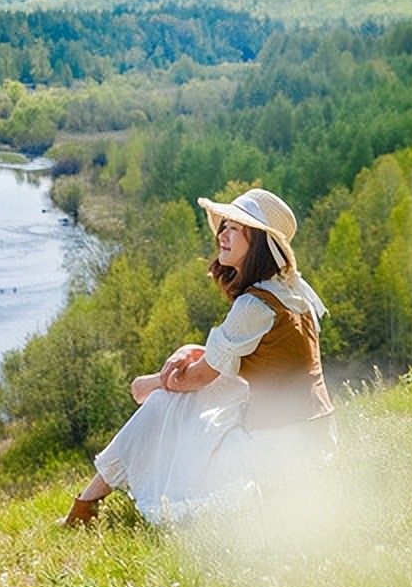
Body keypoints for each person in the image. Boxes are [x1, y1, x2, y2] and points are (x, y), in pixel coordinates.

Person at [62, 187, 335, 526]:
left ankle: (85, 506)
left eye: (236, 228)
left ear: (261, 244)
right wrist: (200, 353)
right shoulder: (294, 294)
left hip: (277, 449)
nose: (223, 234)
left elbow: (194, 379)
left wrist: (147, 384)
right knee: (195, 396)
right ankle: (86, 504)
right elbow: (267, 361)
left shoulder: (254, 304)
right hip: (312, 440)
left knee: (167, 402)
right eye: (224, 226)